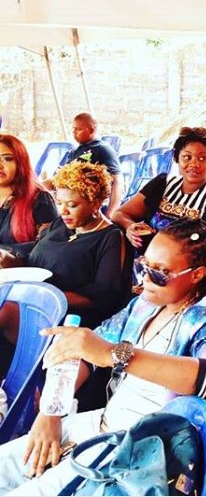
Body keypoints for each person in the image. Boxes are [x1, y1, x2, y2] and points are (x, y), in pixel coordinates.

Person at [0, 218, 206, 496]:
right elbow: (86, 352)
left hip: (135, 452)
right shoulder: (144, 306)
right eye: (143, 267)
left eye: (161, 273)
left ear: (197, 275)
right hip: (98, 424)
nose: (145, 280)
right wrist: (51, 413)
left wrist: (116, 355)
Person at [0, 161, 126, 340]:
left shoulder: (110, 238)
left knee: (4, 312)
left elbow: (103, 296)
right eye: (59, 203)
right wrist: (4, 257)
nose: (63, 211)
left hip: (62, 316)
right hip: (27, 299)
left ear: (95, 203)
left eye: (72, 205)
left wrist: (43, 296)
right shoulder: (61, 224)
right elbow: (32, 262)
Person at [113, 126, 206, 255]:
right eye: (187, 157)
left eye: (202, 158)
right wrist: (130, 226)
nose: (194, 164)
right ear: (177, 158)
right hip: (145, 263)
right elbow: (119, 214)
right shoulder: (162, 185)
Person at [45, 113, 123, 218]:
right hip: (67, 201)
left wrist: (111, 213)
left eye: (78, 129)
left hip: (87, 207)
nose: (74, 132)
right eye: (73, 128)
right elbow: (58, 179)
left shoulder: (102, 149)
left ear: (91, 130)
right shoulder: (77, 151)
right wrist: (35, 187)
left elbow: (117, 182)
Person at [0, 134, 56, 252]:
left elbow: (47, 247)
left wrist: (6, 253)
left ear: (20, 163)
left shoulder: (39, 199)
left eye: (7, 159)